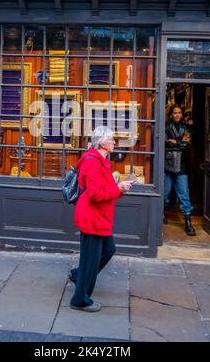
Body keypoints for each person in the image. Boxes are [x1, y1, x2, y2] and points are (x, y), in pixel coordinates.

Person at [69, 126, 132, 312]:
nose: (114, 142)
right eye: (112, 139)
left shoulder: (101, 160)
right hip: (92, 218)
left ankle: (78, 275)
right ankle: (80, 300)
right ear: (103, 143)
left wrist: (119, 188)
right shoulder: (93, 162)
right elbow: (95, 195)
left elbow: (104, 189)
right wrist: (118, 189)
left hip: (100, 218)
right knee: (90, 259)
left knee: (109, 249)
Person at [164, 104, 196, 236]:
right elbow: (165, 143)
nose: (177, 115)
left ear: (182, 115)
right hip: (168, 163)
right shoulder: (165, 127)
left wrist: (175, 142)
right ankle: (161, 213)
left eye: (179, 113)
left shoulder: (186, 127)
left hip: (182, 165)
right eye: (175, 112)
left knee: (184, 193)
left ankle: (188, 221)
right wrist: (179, 142)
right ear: (171, 114)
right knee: (165, 193)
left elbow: (188, 145)